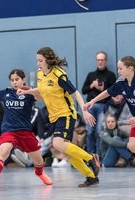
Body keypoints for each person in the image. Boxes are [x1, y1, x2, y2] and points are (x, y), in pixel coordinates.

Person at [17, 47, 100, 187]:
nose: (38, 63)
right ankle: (91, 177)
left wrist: (84, 109)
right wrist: (29, 92)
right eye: (37, 60)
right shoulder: (40, 74)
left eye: (40, 60)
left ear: (48, 60)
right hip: (54, 116)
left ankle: (91, 157)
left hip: (66, 114)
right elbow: (43, 93)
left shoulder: (59, 75)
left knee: (57, 144)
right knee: (66, 152)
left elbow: (76, 93)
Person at [84, 56, 135, 186]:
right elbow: (108, 92)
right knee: (132, 146)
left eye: (120, 68)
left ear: (130, 68)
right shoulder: (121, 81)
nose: (118, 71)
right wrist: (93, 101)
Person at [81, 51, 116, 155]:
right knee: (90, 132)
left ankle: (99, 156)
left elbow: (114, 92)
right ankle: (90, 156)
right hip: (91, 107)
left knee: (99, 131)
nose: (100, 62)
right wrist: (92, 86)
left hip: (103, 106)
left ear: (106, 61)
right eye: (98, 60)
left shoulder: (111, 75)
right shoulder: (91, 75)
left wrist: (102, 88)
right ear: (96, 61)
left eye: (102, 60)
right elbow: (83, 90)